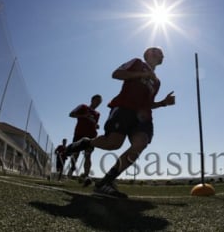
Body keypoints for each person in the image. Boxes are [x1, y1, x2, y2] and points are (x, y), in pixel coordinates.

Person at [66, 47, 175, 198]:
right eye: (157, 51)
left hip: (142, 117)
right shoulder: (137, 62)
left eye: (162, 53)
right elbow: (116, 74)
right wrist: (142, 74)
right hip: (124, 108)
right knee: (113, 144)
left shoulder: (157, 82)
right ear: (148, 54)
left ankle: (105, 182)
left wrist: (163, 103)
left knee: (140, 143)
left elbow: (148, 103)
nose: (162, 54)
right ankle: (86, 143)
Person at [67, 94, 102, 187]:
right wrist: (84, 115)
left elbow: (94, 123)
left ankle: (86, 176)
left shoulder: (98, 114)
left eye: (100, 102)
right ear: (92, 100)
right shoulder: (83, 106)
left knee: (88, 155)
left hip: (91, 136)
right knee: (76, 153)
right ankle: (72, 168)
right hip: (79, 134)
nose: (98, 103)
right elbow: (71, 114)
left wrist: (96, 126)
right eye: (97, 100)